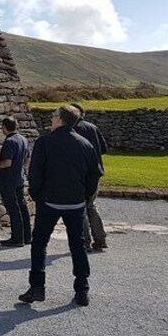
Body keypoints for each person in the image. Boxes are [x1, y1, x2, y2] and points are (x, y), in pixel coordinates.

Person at [19, 105, 102, 307]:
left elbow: (35, 172)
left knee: (39, 244)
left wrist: (37, 195)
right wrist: (84, 196)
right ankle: (82, 290)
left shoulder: (45, 142)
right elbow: (95, 173)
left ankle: (37, 287)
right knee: (78, 246)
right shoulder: (85, 144)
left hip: (49, 202)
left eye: (54, 116)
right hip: (75, 203)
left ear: (61, 119)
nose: (51, 119)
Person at [0, 116, 31, 247]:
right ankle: (27, 236)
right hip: (19, 178)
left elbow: (7, 163)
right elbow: (27, 160)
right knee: (22, 207)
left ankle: (17, 239)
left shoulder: (9, 142)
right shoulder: (23, 139)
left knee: (13, 208)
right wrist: (21, 169)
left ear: (4, 127)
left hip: (8, 179)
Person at [70, 102, 108, 252]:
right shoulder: (93, 127)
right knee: (91, 206)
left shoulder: (73, 130)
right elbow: (103, 149)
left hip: (81, 175)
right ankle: (100, 239)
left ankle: (84, 242)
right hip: (96, 173)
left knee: (81, 208)